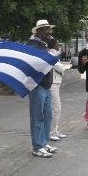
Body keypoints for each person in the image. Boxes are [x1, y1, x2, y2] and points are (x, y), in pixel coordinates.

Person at [27, 19, 58, 157]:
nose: (49, 32)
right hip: (37, 85)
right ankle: (37, 146)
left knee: (48, 116)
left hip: (46, 85)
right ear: (39, 31)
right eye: (46, 29)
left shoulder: (43, 44)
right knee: (37, 116)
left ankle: (44, 143)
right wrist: (52, 53)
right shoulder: (33, 45)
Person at [48, 38, 67, 141]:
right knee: (56, 108)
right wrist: (62, 67)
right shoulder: (51, 56)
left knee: (57, 109)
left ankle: (55, 131)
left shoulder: (55, 55)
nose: (58, 46)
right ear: (53, 45)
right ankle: (52, 132)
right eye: (57, 44)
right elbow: (60, 68)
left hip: (56, 84)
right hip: (52, 85)